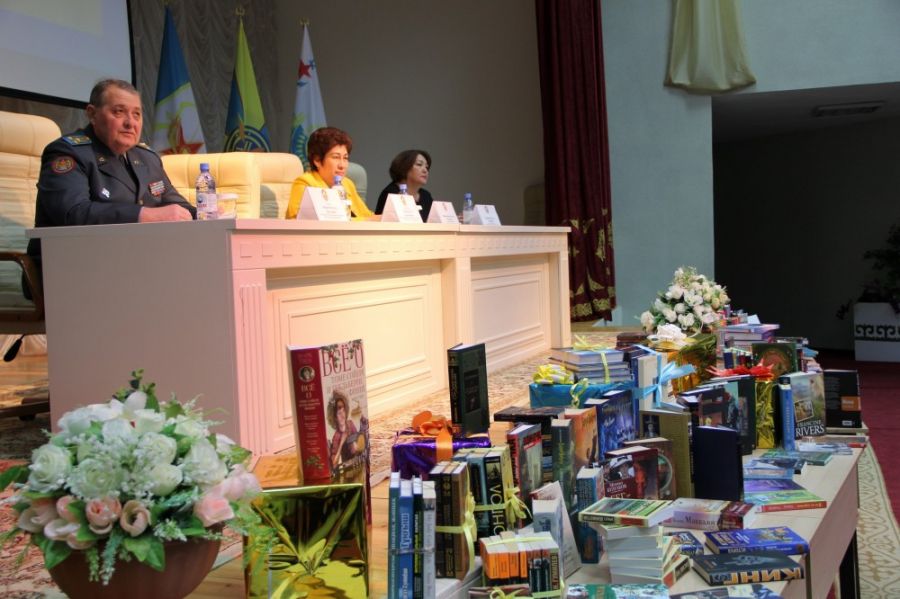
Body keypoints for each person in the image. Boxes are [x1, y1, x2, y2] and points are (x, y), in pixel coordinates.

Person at [26, 78, 195, 273]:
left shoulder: (147, 158)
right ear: (92, 114)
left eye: (136, 114)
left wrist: (209, 214)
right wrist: (146, 215)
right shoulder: (68, 153)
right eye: (119, 112)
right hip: (71, 267)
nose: (130, 123)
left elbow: (177, 207)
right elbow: (73, 213)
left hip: (133, 261)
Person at [284, 127, 374, 220]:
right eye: (336, 157)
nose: (342, 165)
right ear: (317, 160)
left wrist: (381, 218)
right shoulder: (305, 183)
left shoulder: (347, 184)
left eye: (345, 158)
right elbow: (298, 222)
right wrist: (367, 220)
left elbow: (367, 216)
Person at [374, 149, 434, 220]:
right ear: (404, 167)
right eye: (419, 164)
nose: (425, 170)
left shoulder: (426, 196)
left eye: (426, 167)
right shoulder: (391, 193)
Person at [328, 390, 362, 468]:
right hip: (348, 469)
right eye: (339, 413)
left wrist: (356, 445)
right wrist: (341, 443)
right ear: (335, 417)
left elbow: (359, 444)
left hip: (358, 463)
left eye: (343, 411)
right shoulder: (336, 436)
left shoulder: (350, 424)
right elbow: (334, 463)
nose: (342, 415)